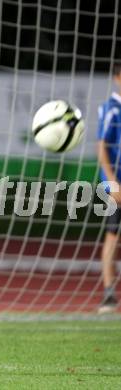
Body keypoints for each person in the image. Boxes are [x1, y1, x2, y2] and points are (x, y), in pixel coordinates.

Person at [97, 62, 121, 314]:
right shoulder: (112, 109)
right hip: (117, 185)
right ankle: (108, 293)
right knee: (113, 235)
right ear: (116, 77)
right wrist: (111, 181)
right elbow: (101, 146)